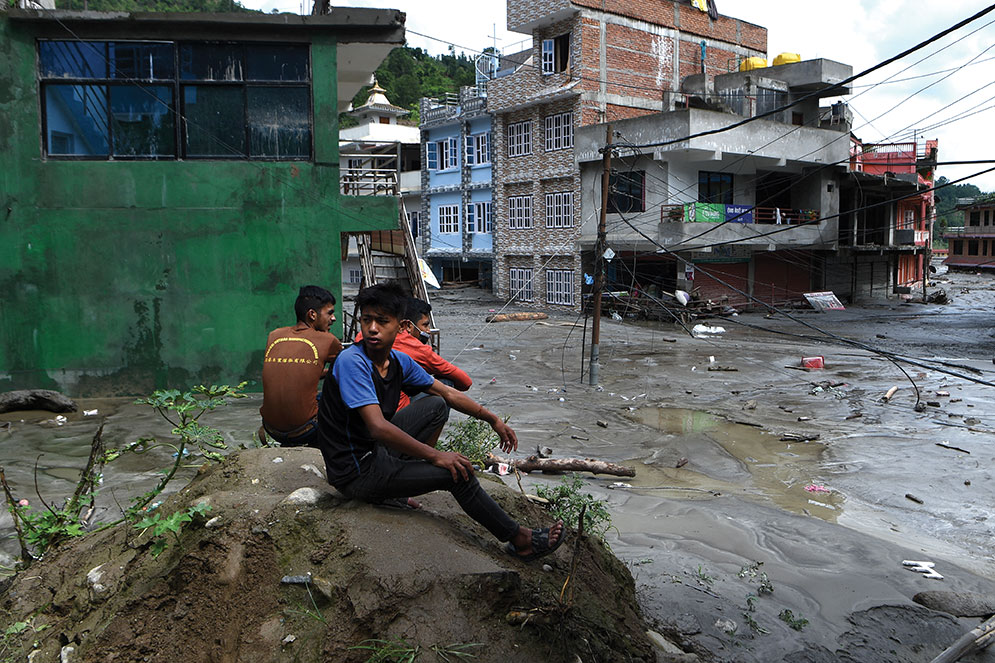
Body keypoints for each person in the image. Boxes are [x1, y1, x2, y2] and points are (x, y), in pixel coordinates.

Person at [316, 282, 564, 561]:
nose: (372, 328)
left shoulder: (397, 361)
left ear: (401, 327)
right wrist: (436, 457)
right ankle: (521, 540)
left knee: (435, 405)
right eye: (366, 320)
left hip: (375, 452)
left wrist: (492, 419)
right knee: (458, 473)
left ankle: (399, 484)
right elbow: (378, 427)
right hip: (355, 472)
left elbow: (447, 392)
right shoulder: (353, 361)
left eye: (382, 321)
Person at [259, 285, 343, 448]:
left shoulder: (274, 335)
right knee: (339, 393)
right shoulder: (328, 340)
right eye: (330, 313)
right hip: (306, 430)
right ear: (312, 314)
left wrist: (321, 372)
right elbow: (347, 371)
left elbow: (297, 372)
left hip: (270, 429)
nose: (333, 318)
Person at [356, 297, 472, 413]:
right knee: (444, 386)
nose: (428, 331)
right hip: (392, 415)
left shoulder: (363, 337)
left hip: (368, 409)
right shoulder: (415, 350)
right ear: (406, 326)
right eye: (425, 325)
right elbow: (465, 382)